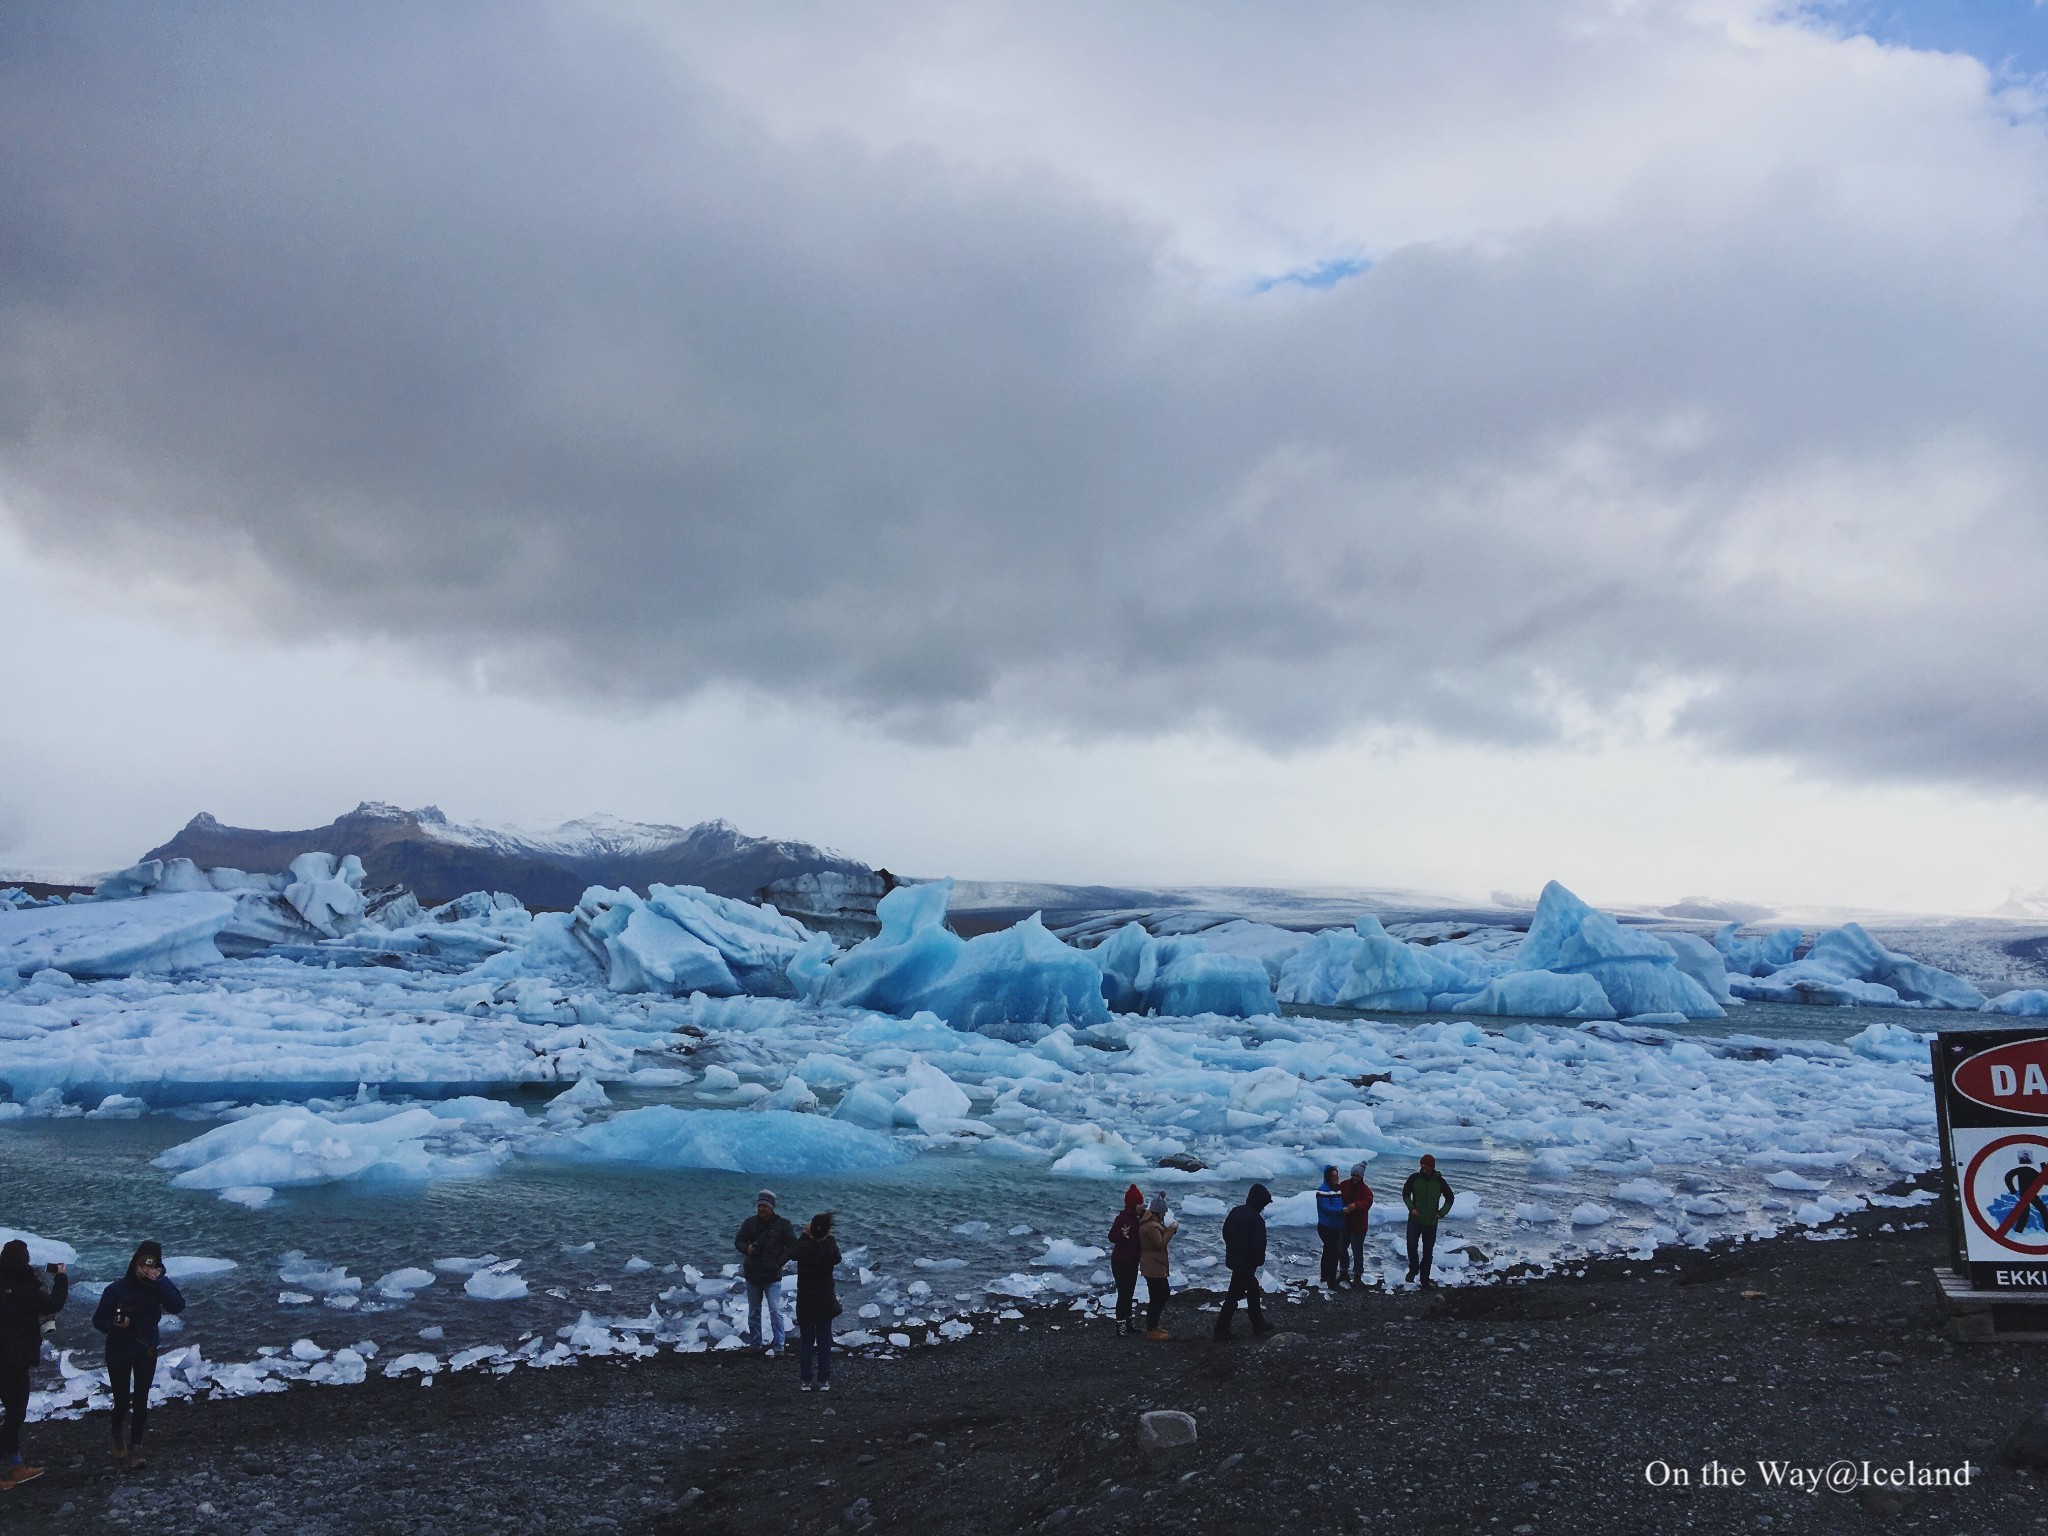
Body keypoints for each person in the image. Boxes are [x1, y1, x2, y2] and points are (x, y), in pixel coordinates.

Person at [91, 1240, 184, 1466]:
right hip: (119, 1351)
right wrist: (115, 1324)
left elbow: (178, 1305)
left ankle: (137, 1447)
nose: (146, 1270)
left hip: (146, 1350)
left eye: (151, 1266)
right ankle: (116, 1433)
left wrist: (160, 1280)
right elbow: (98, 1320)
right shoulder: (115, 1289)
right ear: (135, 1264)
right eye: (143, 1265)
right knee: (122, 1400)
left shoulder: (157, 1288)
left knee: (142, 1397)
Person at [0, 1241, 67, 1490]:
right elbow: (53, 1304)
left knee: (12, 1413)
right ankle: (14, 1466)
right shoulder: (25, 1287)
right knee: (16, 1414)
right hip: (14, 1360)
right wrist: (61, 1277)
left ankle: (16, 1465)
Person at [735, 1190, 798, 1355]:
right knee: (754, 1311)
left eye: (765, 1206)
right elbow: (738, 1240)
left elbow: (793, 1246)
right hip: (752, 1275)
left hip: (772, 1277)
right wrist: (746, 1248)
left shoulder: (783, 1225)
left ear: (772, 1207)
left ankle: (779, 1346)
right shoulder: (749, 1223)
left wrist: (778, 1262)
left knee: (775, 1311)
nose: (761, 1209)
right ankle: (755, 1344)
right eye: (760, 1205)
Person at [1214, 1183, 1276, 1341]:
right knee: (1235, 1295)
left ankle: (1258, 1324)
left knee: (1249, 1291)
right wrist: (1258, 1261)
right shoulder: (1257, 1220)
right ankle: (1222, 1330)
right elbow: (1258, 1245)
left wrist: (1233, 1249)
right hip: (1246, 1265)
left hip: (1236, 1260)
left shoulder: (1236, 1211)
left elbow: (1225, 1232)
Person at [789, 1212, 842, 1392]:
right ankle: (824, 1379)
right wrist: (830, 1237)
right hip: (825, 1301)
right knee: (824, 1341)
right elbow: (837, 1257)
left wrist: (805, 1234)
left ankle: (805, 1380)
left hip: (805, 1301)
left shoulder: (804, 1248)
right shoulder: (828, 1248)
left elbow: (792, 1252)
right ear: (827, 1231)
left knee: (806, 1342)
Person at [1402, 1155, 1455, 1288]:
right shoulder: (1414, 1178)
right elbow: (1405, 1194)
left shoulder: (1439, 1181)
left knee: (1427, 1252)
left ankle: (1424, 1279)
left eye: (1426, 1165)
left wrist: (1441, 1213)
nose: (1423, 1167)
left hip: (1431, 1222)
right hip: (1415, 1219)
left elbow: (1450, 1197)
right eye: (1422, 1165)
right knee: (1411, 1246)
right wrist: (1411, 1208)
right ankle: (1413, 1269)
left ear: (1432, 1167)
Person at [1137, 1192, 1176, 1339]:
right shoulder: (1151, 1226)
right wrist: (1170, 1231)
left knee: (1157, 1295)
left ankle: (1153, 1325)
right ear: (1159, 1213)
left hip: (1152, 1265)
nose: (1165, 1216)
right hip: (1153, 1266)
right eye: (1163, 1213)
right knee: (1161, 1295)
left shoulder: (1150, 1223)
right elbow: (1159, 1244)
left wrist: (1167, 1230)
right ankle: (1151, 1328)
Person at [1107, 1184, 1143, 1337]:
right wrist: (1122, 1235)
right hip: (1120, 1261)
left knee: (1129, 1292)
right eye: (1140, 1203)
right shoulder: (1121, 1219)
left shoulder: (1138, 1218)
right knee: (1123, 1293)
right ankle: (1120, 1325)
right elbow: (1111, 1237)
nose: (1142, 1205)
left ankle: (1128, 1322)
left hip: (1132, 1261)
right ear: (1133, 1204)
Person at [1339, 1163, 1374, 1286]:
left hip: (1358, 1226)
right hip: (1344, 1224)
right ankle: (1343, 1272)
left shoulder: (1366, 1191)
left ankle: (1358, 1275)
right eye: (1353, 1175)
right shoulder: (1343, 1185)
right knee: (1341, 1248)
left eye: (1357, 1176)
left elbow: (1367, 1203)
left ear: (1362, 1176)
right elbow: (1336, 1196)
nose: (1354, 1178)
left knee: (1357, 1250)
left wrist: (1355, 1206)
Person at [1315, 1165, 1347, 1288]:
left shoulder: (1338, 1190)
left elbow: (1341, 1203)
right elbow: (1326, 1209)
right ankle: (1331, 1281)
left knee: (1328, 1251)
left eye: (1336, 1175)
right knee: (1334, 1252)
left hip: (1336, 1227)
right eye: (1333, 1175)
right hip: (1326, 1227)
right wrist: (1343, 1210)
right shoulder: (1322, 1190)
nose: (1336, 1177)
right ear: (1328, 1177)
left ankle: (1324, 1277)